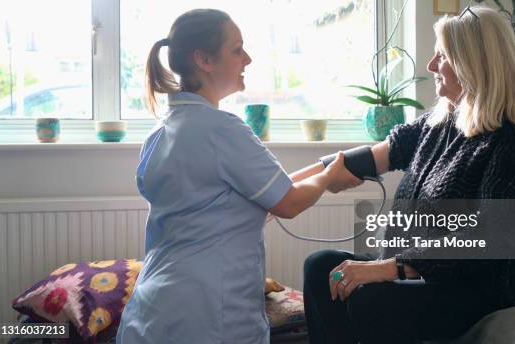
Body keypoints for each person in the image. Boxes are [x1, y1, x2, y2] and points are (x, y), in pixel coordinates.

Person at [301, 6, 515, 343]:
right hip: (422, 269)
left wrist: (391, 268)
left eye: (442, 57)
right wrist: (277, 192)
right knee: (321, 268)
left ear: (474, 64)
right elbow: (358, 161)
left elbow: (490, 239)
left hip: (493, 281)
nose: (431, 66)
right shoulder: (440, 122)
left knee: (370, 300)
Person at [115, 9, 361, 344]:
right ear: (204, 59)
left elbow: (239, 201)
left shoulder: (161, 133)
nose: (247, 58)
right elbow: (288, 203)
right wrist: (328, 178)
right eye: (237, 49)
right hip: (205, 312)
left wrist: (321, 170)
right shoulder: (222, 129)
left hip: (153, 308)